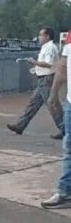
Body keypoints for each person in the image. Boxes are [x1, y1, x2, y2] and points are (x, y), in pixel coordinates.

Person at [7, 28, 63, 139]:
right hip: (43, 79)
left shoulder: (50, 47)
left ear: (47, 36)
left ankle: (64, 128)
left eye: (41, 35)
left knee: (52, 105)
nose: (39, 37)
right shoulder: (46, 47)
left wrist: (34, 62)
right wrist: (36, 68)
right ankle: (20, 125)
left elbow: (48, 64)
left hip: (47, 79)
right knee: (34, 104)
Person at [43, 38, 71, 208]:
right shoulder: (69, 46)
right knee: (68, 147)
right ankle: (64, 190)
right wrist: (53, 93)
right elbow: (62, 69)